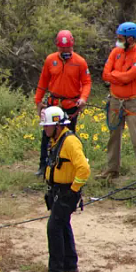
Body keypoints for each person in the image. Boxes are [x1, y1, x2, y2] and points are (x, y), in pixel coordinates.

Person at [41, 106, 90, 272]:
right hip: (58, 191)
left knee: (54, 227)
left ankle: (55, 271)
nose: (44, 129)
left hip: (66, 192)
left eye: (47, 126)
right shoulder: (57, 140)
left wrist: (74, 189)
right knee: (62, 225)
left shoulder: (69, 142)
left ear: (58, 125)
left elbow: (84, 169)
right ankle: (70, 263)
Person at [98, 22, 136, 186]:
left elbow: (128, 77)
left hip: (133, 102)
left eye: (121, 39)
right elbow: (105, 74)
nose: (118, 41)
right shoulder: (116, 52)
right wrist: (118, 76)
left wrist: (116, 75)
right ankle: (112, 169)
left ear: (130, 39)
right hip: (115, 101)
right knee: (114, 137)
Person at [34, 30, 92, 176]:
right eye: (62, 48)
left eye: (67, 48)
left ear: (72, 46)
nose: (65, 51)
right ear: (57, 47)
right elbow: (43, 81)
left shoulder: (80, 62)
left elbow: (86, 82)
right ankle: (43, 166)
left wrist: (83, 98)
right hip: (53, 104)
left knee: (68, 136)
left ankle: (67, 165)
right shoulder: (50, 60)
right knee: (47, 134)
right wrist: (38, 100)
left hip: (71, 106)